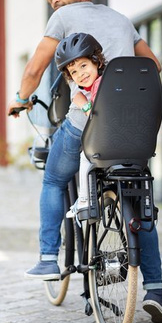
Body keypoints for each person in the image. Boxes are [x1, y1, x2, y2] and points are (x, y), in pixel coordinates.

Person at [7, 0, 162, 323]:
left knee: (52, 178)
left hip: (89, 123)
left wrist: (20, 100)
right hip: (132, 126)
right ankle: (156, 290)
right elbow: (154, 65)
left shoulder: (65, 18)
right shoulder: (121, 19)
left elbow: (36, 68)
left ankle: (49, 258)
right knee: (140, 205)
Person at [55, 32, 107, 216]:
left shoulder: (102, 83)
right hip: (124, 139)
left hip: (107, 138)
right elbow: (78, 96)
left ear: (97, 62)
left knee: (86, 155)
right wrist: (84, 104)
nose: (80, 74)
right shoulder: (99, 83)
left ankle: (84, 199)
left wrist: (86, 107)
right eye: (74, 72)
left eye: (83, 65)